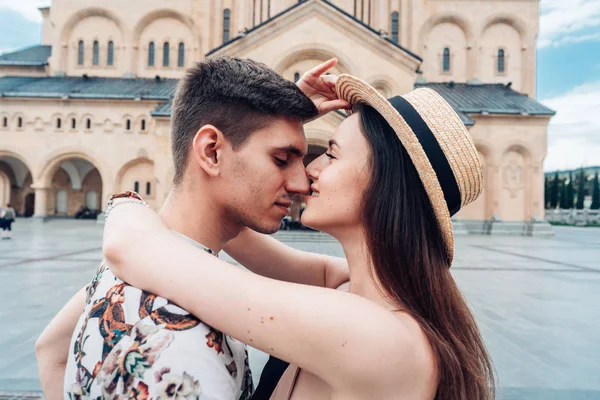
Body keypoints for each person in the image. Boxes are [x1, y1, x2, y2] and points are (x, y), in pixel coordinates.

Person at [102, 75, 496, 399]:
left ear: (384, 185)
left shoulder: (378, 338)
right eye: (292, 157)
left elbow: (132, 246)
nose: (309, 169)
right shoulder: (351, 285)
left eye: (333, 154)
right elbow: (216, 208)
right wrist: (269, 123)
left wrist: (122, 202)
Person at [35, 57, 350, 400]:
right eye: (281, 159)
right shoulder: (179, 355)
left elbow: (50, 351)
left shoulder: (140, 261)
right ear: (211, 152)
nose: (301, 183)